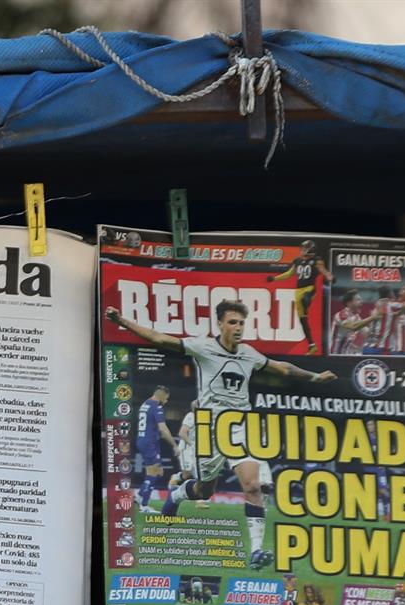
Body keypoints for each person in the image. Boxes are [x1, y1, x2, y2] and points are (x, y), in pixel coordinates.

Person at [108, 300, 335, 569]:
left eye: (241, 323)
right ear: (220, 324)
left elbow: (283, 368)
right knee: (205, 491)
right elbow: (159, 338)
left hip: (239, 426)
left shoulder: (249, 353)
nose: (238, 327)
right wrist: (122, 321)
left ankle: (256, 552)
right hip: (210, 428)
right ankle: (177, 495)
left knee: (252, 486)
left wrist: (314, 377)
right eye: (232, 322)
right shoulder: (203, 348)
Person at [269, 241, 328, 353]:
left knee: (305, 298)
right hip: (298, 291)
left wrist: (329, 277)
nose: (302, 250)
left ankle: (307, 299)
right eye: (302, 248)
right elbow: (289, 273)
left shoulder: (316, 261)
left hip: (309, 288)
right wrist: (274, 279)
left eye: (304, 248)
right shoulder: (298, 261)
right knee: (302, 319)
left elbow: (323, 271)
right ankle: (312, 345)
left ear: (311, 249)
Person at [133, 384, 176, 503]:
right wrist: (174, 445)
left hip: (143, 440)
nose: (166, 400)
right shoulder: (156, 407)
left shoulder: (145, 404)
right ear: (161, 395)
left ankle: (140, 495)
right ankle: (144, 505)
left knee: (157, 472)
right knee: (154, 472)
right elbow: (163, 429)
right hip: (149, 442)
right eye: (166, 397)